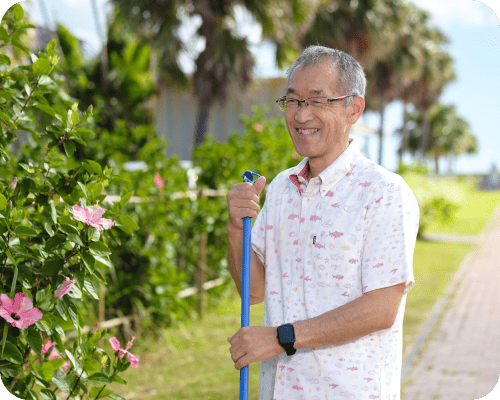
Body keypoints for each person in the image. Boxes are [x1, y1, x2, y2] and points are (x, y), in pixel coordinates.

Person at [226, 45, 419, 400]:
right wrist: (237, 228)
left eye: (317, 101)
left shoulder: (384, 193)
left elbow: (380, 309)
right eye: (294, 101)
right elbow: (253, 292)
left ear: (354, 108)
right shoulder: (282, 188)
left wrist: (280, 337)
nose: (301, 116)